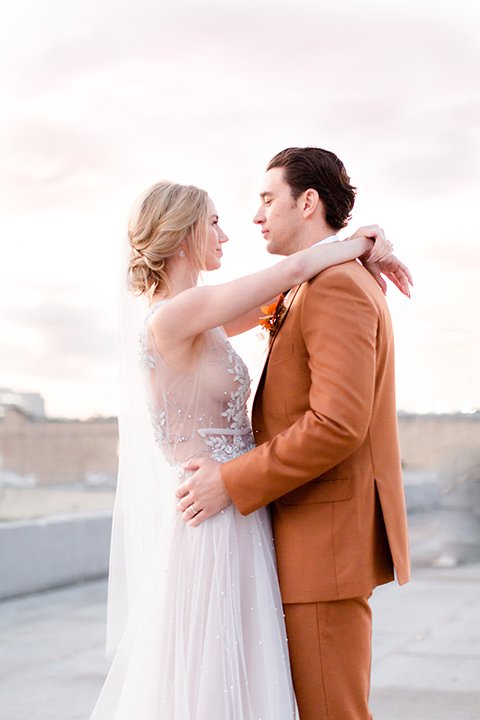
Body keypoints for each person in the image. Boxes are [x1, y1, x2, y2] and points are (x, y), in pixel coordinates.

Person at [90, 177, 411, 720]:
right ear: (185, 231)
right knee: (218, 674)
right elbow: (289, 273)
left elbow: (281, 296)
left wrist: (358, 243)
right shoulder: (174, 314)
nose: (227, 232)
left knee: (251, 671)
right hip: (213, 513)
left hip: (242, 507)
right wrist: (362, 241)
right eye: (213, 221)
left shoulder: (206, 315)